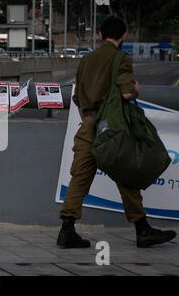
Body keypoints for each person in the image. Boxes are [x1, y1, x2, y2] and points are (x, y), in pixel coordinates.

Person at [57, 16, 177, 249]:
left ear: (101, 35)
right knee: (126, 174)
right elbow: (126, 93)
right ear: (123, 36)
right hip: (112, 129)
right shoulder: (120, 58)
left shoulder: (86, 60)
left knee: (80, 178)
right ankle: (142, 229)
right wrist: (136, 89)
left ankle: (67, 229)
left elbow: (78, 98)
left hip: (88, 126)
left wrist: (89, 120)